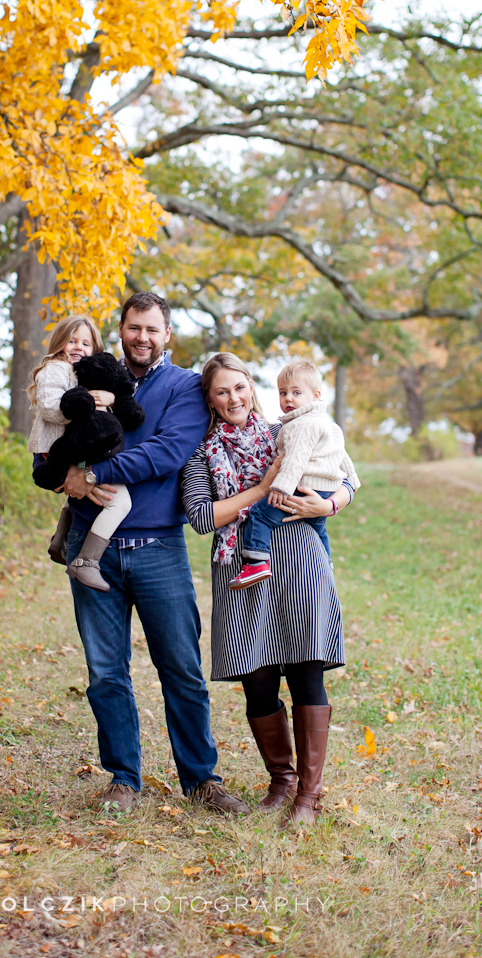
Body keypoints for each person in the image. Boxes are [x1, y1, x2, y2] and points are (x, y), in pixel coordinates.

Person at [61, 293, 248, 816]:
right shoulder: (89, 376)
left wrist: (94, 472)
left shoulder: (186, 386)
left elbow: (168, 451)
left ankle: (201, 779)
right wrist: (61, 474)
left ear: (168, 335)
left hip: (158, 548)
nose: (142, 337)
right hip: (89, 543)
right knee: (105, 670)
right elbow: (56, 433)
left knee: (181, 667)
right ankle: (123, 778)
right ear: (120, 329)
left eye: (152, 329)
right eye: (133, 327)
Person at [182, 352, 356, 826]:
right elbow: (201, 518)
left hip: (300, 559)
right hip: (241, 568)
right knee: (256, 678)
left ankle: (309, 796)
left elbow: (348, 478)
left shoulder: (293, 428)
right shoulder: (200, 454)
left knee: (305, 670)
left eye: (240, 387)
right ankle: (281, 781)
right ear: (211, 400)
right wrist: (262, 489)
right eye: (222, 391)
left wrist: (330, 506)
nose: (234, 397)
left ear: (250, 388)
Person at [229, 357, 360, 589]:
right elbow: (343, 459)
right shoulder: (329, 425)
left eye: (296, 393)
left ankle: (256, 563)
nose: (288, 398)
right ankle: (326, 564)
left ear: (316, 396)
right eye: (283, 393)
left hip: (301, 488)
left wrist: (281, 487)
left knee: (260, 515)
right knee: (319, 528)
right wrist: (354, 482)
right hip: (325, 490)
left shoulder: (301, 425)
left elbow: (294, 460)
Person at [27, 315, 117, 570]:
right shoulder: (57, 367)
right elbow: (51, 408)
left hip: (69, 445)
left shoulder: (80, 372)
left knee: (78, 489)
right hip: (59, 445)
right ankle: (88, 559)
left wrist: (107, 397)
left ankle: (60, 537)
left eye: (86, 343)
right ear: (59, 343)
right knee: (117, 501)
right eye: (72, 340)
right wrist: (86, 403)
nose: (79, 347)